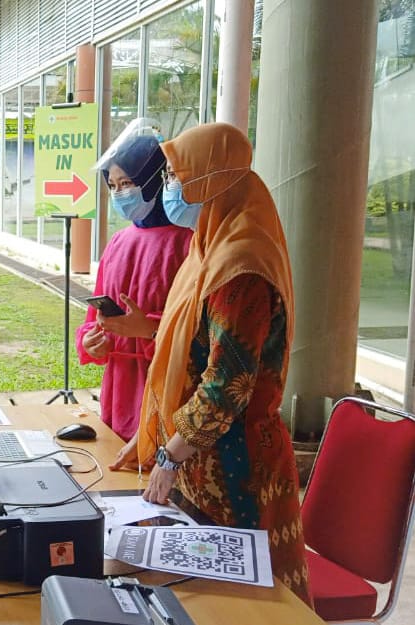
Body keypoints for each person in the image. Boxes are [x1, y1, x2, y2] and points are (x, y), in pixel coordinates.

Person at [110, 123, 310, 604]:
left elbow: (227, 386)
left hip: (237, 469)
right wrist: (154, 430)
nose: (171, 189)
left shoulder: (240, 266)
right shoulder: (211, 245)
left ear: (214, 179)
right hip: (197, 461)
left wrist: (168, 454)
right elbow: (186, 349)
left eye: (181, 177)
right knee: (195, 598)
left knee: (238, 605)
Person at [77, 128, 192, 440]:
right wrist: (92, 341)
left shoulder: (188, 244)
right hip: (119, 386)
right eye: (113, 186)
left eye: (127, 183)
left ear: (154, 179)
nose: (120, 193)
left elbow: (197, 327)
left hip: (165, 386)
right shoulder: (118, 241)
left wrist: (147, 329)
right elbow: (96, 318)